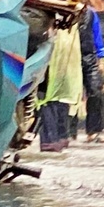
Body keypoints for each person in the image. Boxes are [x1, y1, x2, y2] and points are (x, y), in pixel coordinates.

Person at [38, 15, 83, 152]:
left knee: (46, 100)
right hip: (67, 66)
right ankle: (60, 137)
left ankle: (50, 140)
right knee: (59, 99)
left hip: (52, 63)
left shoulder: (53, 14)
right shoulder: (74, 17)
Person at [78, 4, 104, 143]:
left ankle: (93, 130)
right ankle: (66, 132)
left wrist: (101, 59)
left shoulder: (90, 13)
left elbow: (97, 35)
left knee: (95, 91)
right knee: (65, 95)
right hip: (68, 56)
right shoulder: (63, 9)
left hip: (89, 56)